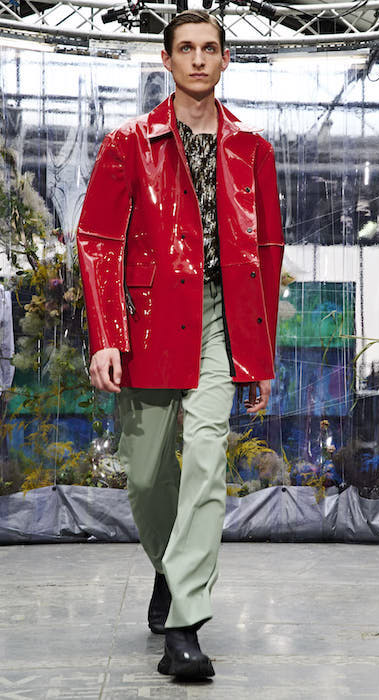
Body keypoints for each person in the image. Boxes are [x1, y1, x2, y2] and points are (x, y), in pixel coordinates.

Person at [76, 9, 284, 681]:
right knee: (144, 477)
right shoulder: (127, 143)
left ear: (225, 60)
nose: (198, 59)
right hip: (149, 320)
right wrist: (107, 336)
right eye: (186, 48)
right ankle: (170, 568)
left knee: (204, 460)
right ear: (166, 61)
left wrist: (260, 355)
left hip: (221, 319)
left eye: (210, 48)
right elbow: (97, 242)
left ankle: (186, 623)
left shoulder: (252, 149)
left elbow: (267, 251)